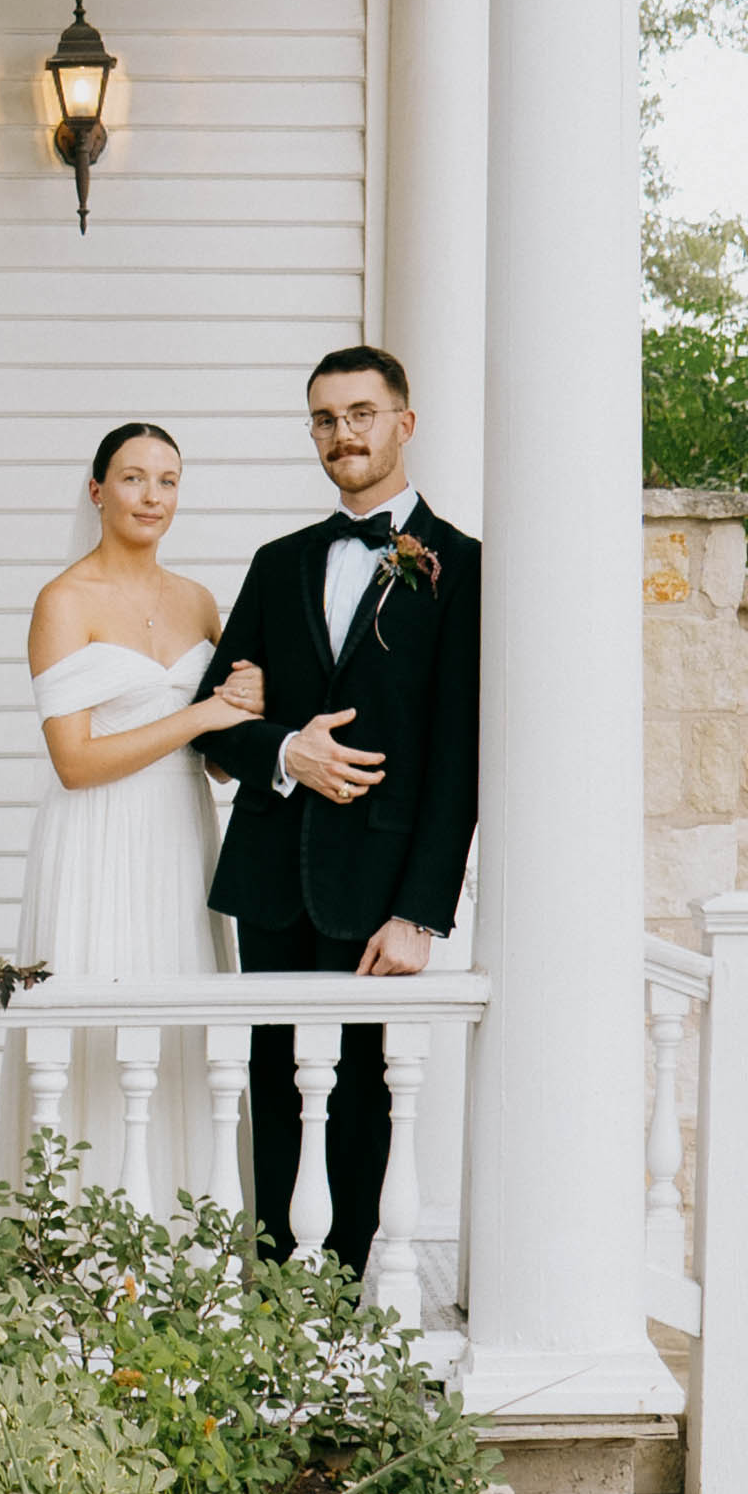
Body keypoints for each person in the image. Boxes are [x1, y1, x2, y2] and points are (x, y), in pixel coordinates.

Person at [198, 344, 479, 1274]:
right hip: (273, 876)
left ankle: (348, 1319)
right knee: (273, 1088)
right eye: (324, 419)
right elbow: (212, 720)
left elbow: (459, 755)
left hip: (380, 885)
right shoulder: (277, 566)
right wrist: (284, 750)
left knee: (362, 1098)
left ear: (404, 422)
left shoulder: (463, 569)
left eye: (359, 413)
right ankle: (275, 1299)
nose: (341, 434)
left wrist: (420, 913)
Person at [2, 418, 261, 1196]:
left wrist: (246, 706)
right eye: (133, 477)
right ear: (97, 490)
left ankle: (188, 1245)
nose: (152, 495)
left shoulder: (198, 600)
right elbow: (74, 764)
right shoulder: (63, 600)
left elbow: (217, 762)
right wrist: (201, 715)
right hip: (95, 838)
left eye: (168, 480)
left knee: (184, 1035)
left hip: (181, 837)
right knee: (94, 1033)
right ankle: (80, 1246)